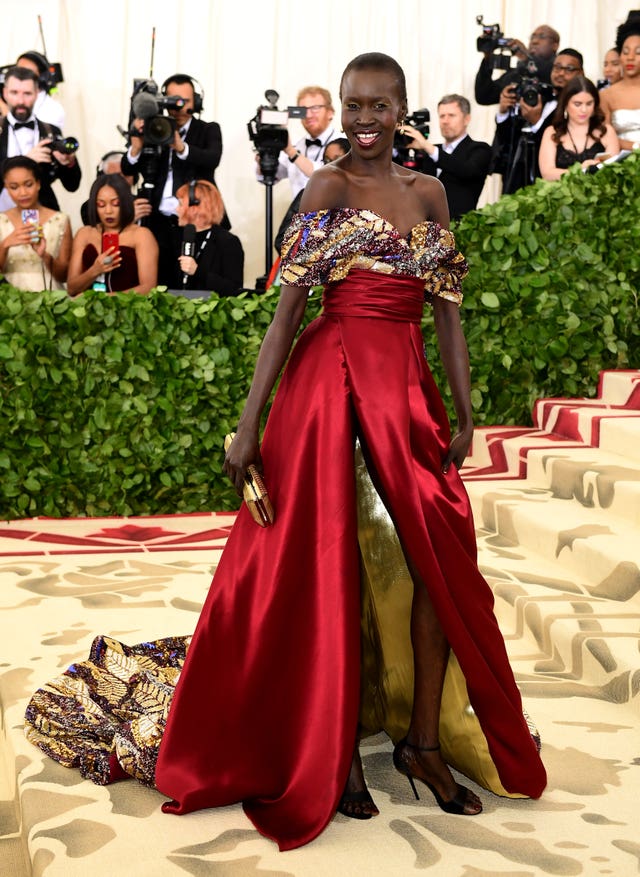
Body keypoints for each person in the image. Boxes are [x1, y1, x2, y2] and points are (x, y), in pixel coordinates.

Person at [24, 52, 546, 851]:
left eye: (378, 105)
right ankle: (334, 757)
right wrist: (247, 423)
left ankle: (424, 744)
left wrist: (466, 410)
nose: (364, 117)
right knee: (326, 570)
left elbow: (447, 315)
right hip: (328, 385)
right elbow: (285, 315)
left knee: (437, 566)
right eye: (352, 104)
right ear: (341, 109)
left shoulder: (431, 193)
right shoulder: (327, 187)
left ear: (402, 108)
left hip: (407, 394)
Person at [121, 73, 228, 284]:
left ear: (196, 102)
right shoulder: (153, 128)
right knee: (158, 281)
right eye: (172, 102)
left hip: (196, 221)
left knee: (193, 281)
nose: (178, 109)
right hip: (157, 222)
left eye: (184, 102)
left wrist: (181, 147)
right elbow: (128, 169)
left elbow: (212, 158)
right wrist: (136, 147)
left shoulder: (208, 129)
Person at [492, 49, 584, 194]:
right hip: (517, 177)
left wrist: (536, 122)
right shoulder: (538, 95)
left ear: (580, 73)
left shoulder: (580, 106)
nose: (561, 73)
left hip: (550, 186)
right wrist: (503, 112)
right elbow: (507, 140)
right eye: (557, 67)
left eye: (569, 69)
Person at [0, 66, 81, 213]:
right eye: (14, 93)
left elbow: (72, 185)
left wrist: (68, 163)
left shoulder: (50, 130)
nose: (20, 100)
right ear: (4, 93)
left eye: (27, 93)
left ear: (37, 94)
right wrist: (25, 161)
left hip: (42, 216)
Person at [401, 94, 491, 220]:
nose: (445, 121)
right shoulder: (428, 151)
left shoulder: (480, 149)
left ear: (467, 119)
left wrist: (428, 147)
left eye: (451, 115)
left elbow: (467, 170)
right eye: (442, 116)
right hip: (423, 229)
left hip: (459, 230)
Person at [66, 173, 158, 296]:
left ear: (125, 203)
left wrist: (105, 299)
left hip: (128, 311)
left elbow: (148, 288)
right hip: (88, 311)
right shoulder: (84, 233)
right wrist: (95, 270)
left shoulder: (141, 235)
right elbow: (72, 288)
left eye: (115, 204)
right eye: (101, 205)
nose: (108, 211)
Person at [0, 155, 71, 290]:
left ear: (38, 183)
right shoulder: (1, 221)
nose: (23, 192)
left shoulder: (60, 220)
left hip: (52, 300)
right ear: (6, 188)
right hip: (11, 303)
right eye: (14, 187)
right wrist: (5, 245)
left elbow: (64, 276)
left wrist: (45, 255)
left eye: (28, 184)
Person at [274, 137, 350, 256]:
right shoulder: (307, 195)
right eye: (326, 161)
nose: (331, 167)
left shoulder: (363, 199)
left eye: (337, 161)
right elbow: (282, 242)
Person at [260, 86, 339, 198]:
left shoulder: (345, 143)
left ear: (330, 112)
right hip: (299, 214)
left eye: (315, 108)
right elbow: (271, 175)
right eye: (303, 110)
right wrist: (264, 152)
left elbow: (328, 177)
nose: (309, 115)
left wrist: (291, 152)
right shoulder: (297, 145)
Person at [539, 77, 620, 180]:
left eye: (589, 104)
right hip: (559, 193)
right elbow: (547, 174)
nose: (584, 110)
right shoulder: (551, 132)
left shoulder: (607, 132)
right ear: (566, 104)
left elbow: (612, 171)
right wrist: (581, 170)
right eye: (577, 104)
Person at [172, 179, 244, 294]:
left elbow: (234, 289)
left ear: (195, 208)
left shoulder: (227, 242)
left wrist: (198, 272)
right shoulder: (177, 237)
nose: (176, 209)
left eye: (180, 204)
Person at [475, 24, 559, 106]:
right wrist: (488, 58)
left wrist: (525, 57)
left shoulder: (559, 71)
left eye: (542, 37)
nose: (534, 41)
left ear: (555, 45)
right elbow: (484, 96)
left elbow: (545, 72)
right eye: (532, 37)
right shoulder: (518, 72)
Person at [600, 14, 640, 150]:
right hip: (622, 164)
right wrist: (636, 147)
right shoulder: (606, 95)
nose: (630, 58)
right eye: (626, 52)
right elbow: (603, 135)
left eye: (638, 52)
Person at [79, 150, 149, 226]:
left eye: (127, 174)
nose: (122, 180)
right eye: (117, 176)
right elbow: (98, 236)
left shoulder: (141, 203)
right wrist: (129, 220)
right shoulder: (90, 206)